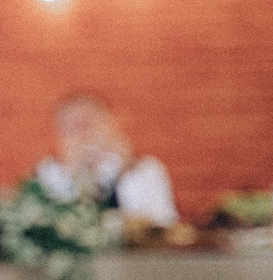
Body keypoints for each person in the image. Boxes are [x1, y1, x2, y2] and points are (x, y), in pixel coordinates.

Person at [34, 91, 176, 226]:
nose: (83, 134)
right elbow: (53, 228)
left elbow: (162, 222)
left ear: (111, 123)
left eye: (89, 122)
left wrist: (125, 167)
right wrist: (72, 173)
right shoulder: (47, 173)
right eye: (72, 126)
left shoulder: (146, 168)